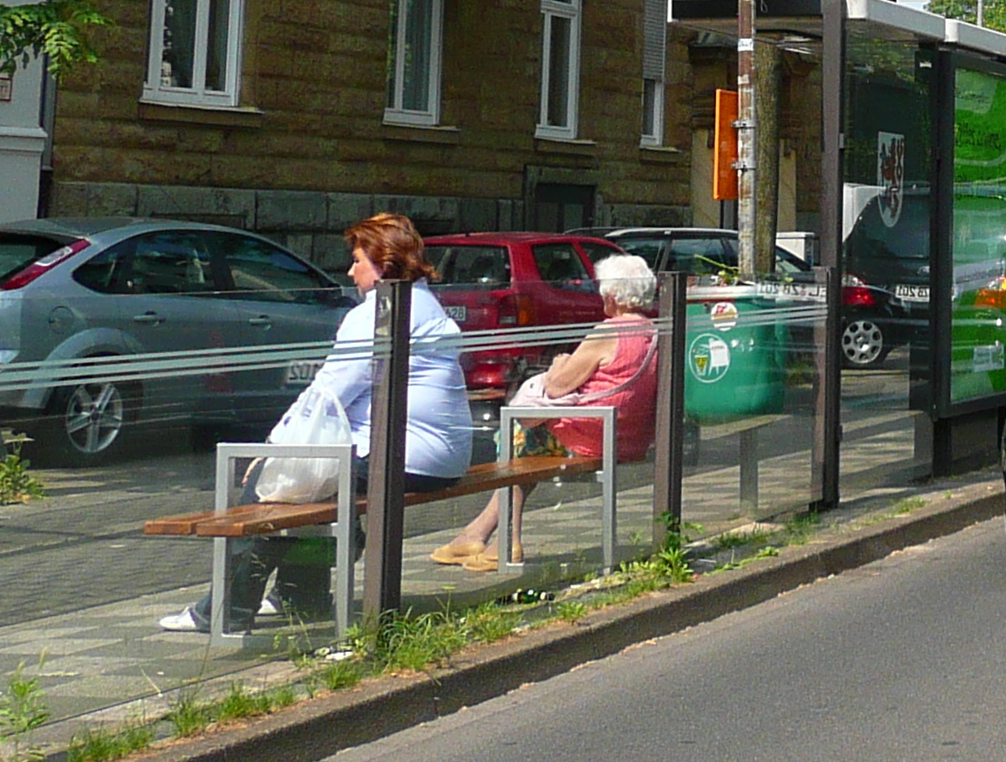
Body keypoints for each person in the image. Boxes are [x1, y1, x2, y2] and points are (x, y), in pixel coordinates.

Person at [163, 212, 470, 634]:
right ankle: (299, 595)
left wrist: (271, 452)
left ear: (383, 262)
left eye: (358, 260)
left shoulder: (378, 313)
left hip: (401, 455)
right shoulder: (424, 303)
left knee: (274, 489)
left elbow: (327, 393)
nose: (350, 270)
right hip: (441, 459)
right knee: (312, 488)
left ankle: (223, 612)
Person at [435, 251, 662, 572]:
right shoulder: (653, 333)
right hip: (627, 435)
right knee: (527, 448)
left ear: (613, 295)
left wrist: (560, 363)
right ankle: (475, 534)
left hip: (591, 434)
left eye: (602, 293)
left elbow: (557, 387)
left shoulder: (607, 333)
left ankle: (507, 543)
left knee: (515, 434)